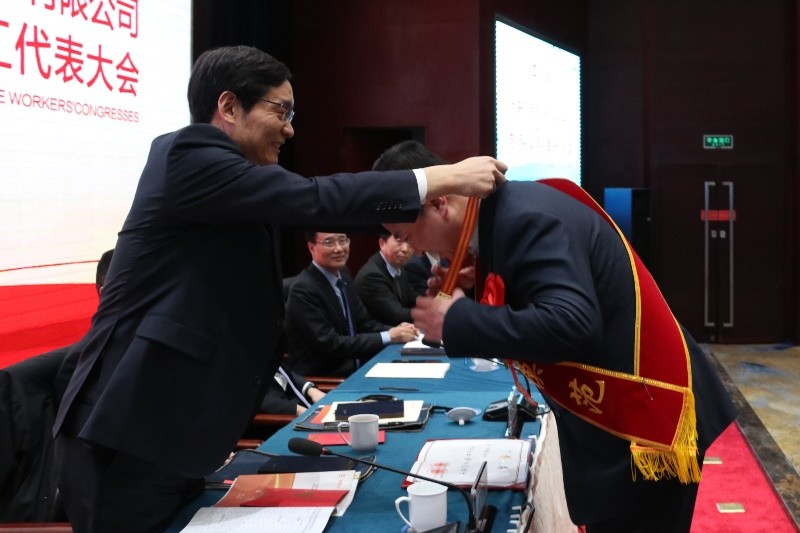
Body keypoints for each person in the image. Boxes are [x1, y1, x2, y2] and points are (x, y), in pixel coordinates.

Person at [52, 46, 506, 533]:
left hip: (173, 429)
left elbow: (325, 205)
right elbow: (313, 199)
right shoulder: (187, 155)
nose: (290, 129)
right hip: (130, 430)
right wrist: (442, 177)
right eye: (281, 111)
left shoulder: (240, 180)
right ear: (229, 107)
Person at [376, 140, 737, 533]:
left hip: (643, 424)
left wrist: (458, 320)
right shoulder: (505, 212)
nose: (412, 250)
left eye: (405, 234)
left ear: (438, 203)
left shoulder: (524, 220)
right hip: (624, 422)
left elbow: (571, 322)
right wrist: (475, 292)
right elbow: (541, 296)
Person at [285, 231, 418, 376]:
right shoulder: (303, 289)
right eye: (329, 242)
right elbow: (332, 343)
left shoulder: (343, 276)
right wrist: (389, 336)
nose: (338, 248)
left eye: (342, 240)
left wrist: (399, 330)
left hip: (355, 367)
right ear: (312, 248)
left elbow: (365, 324)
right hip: (324, 376)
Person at [354, 231, 417, 325]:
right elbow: (397, 316)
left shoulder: (399, 268)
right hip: (381, 331)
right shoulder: (372, 275)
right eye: (399, 241)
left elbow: (413, 300)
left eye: (409, 242)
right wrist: (430, 313)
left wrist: (437, 301)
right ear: (382, 244)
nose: (405, 249)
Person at [258, 365, 325, 416]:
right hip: (282, 417)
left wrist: (310, 389)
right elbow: (259, 400)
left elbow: (285, 373)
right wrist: (297, 409)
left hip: (302, 404)